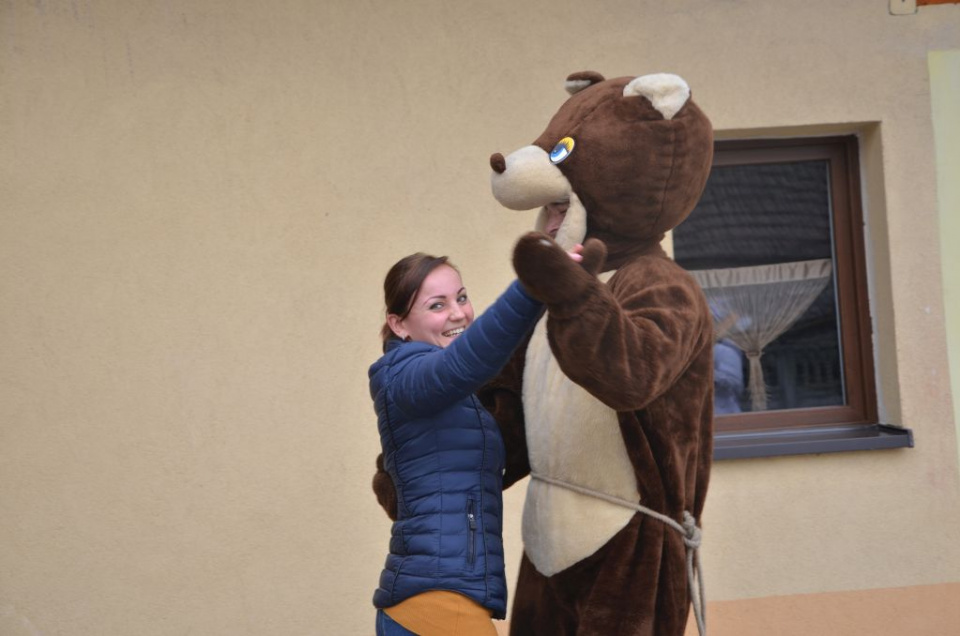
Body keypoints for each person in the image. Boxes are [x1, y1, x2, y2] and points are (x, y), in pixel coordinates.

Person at [369, 242, 590, 636]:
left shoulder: (459, 396)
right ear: (399, 324)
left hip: (442, 598)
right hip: (436, 602)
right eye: (437, 305)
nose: (458, 313)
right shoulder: (401, 376)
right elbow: (468, 361)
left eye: (462, 297)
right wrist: (531, 287)